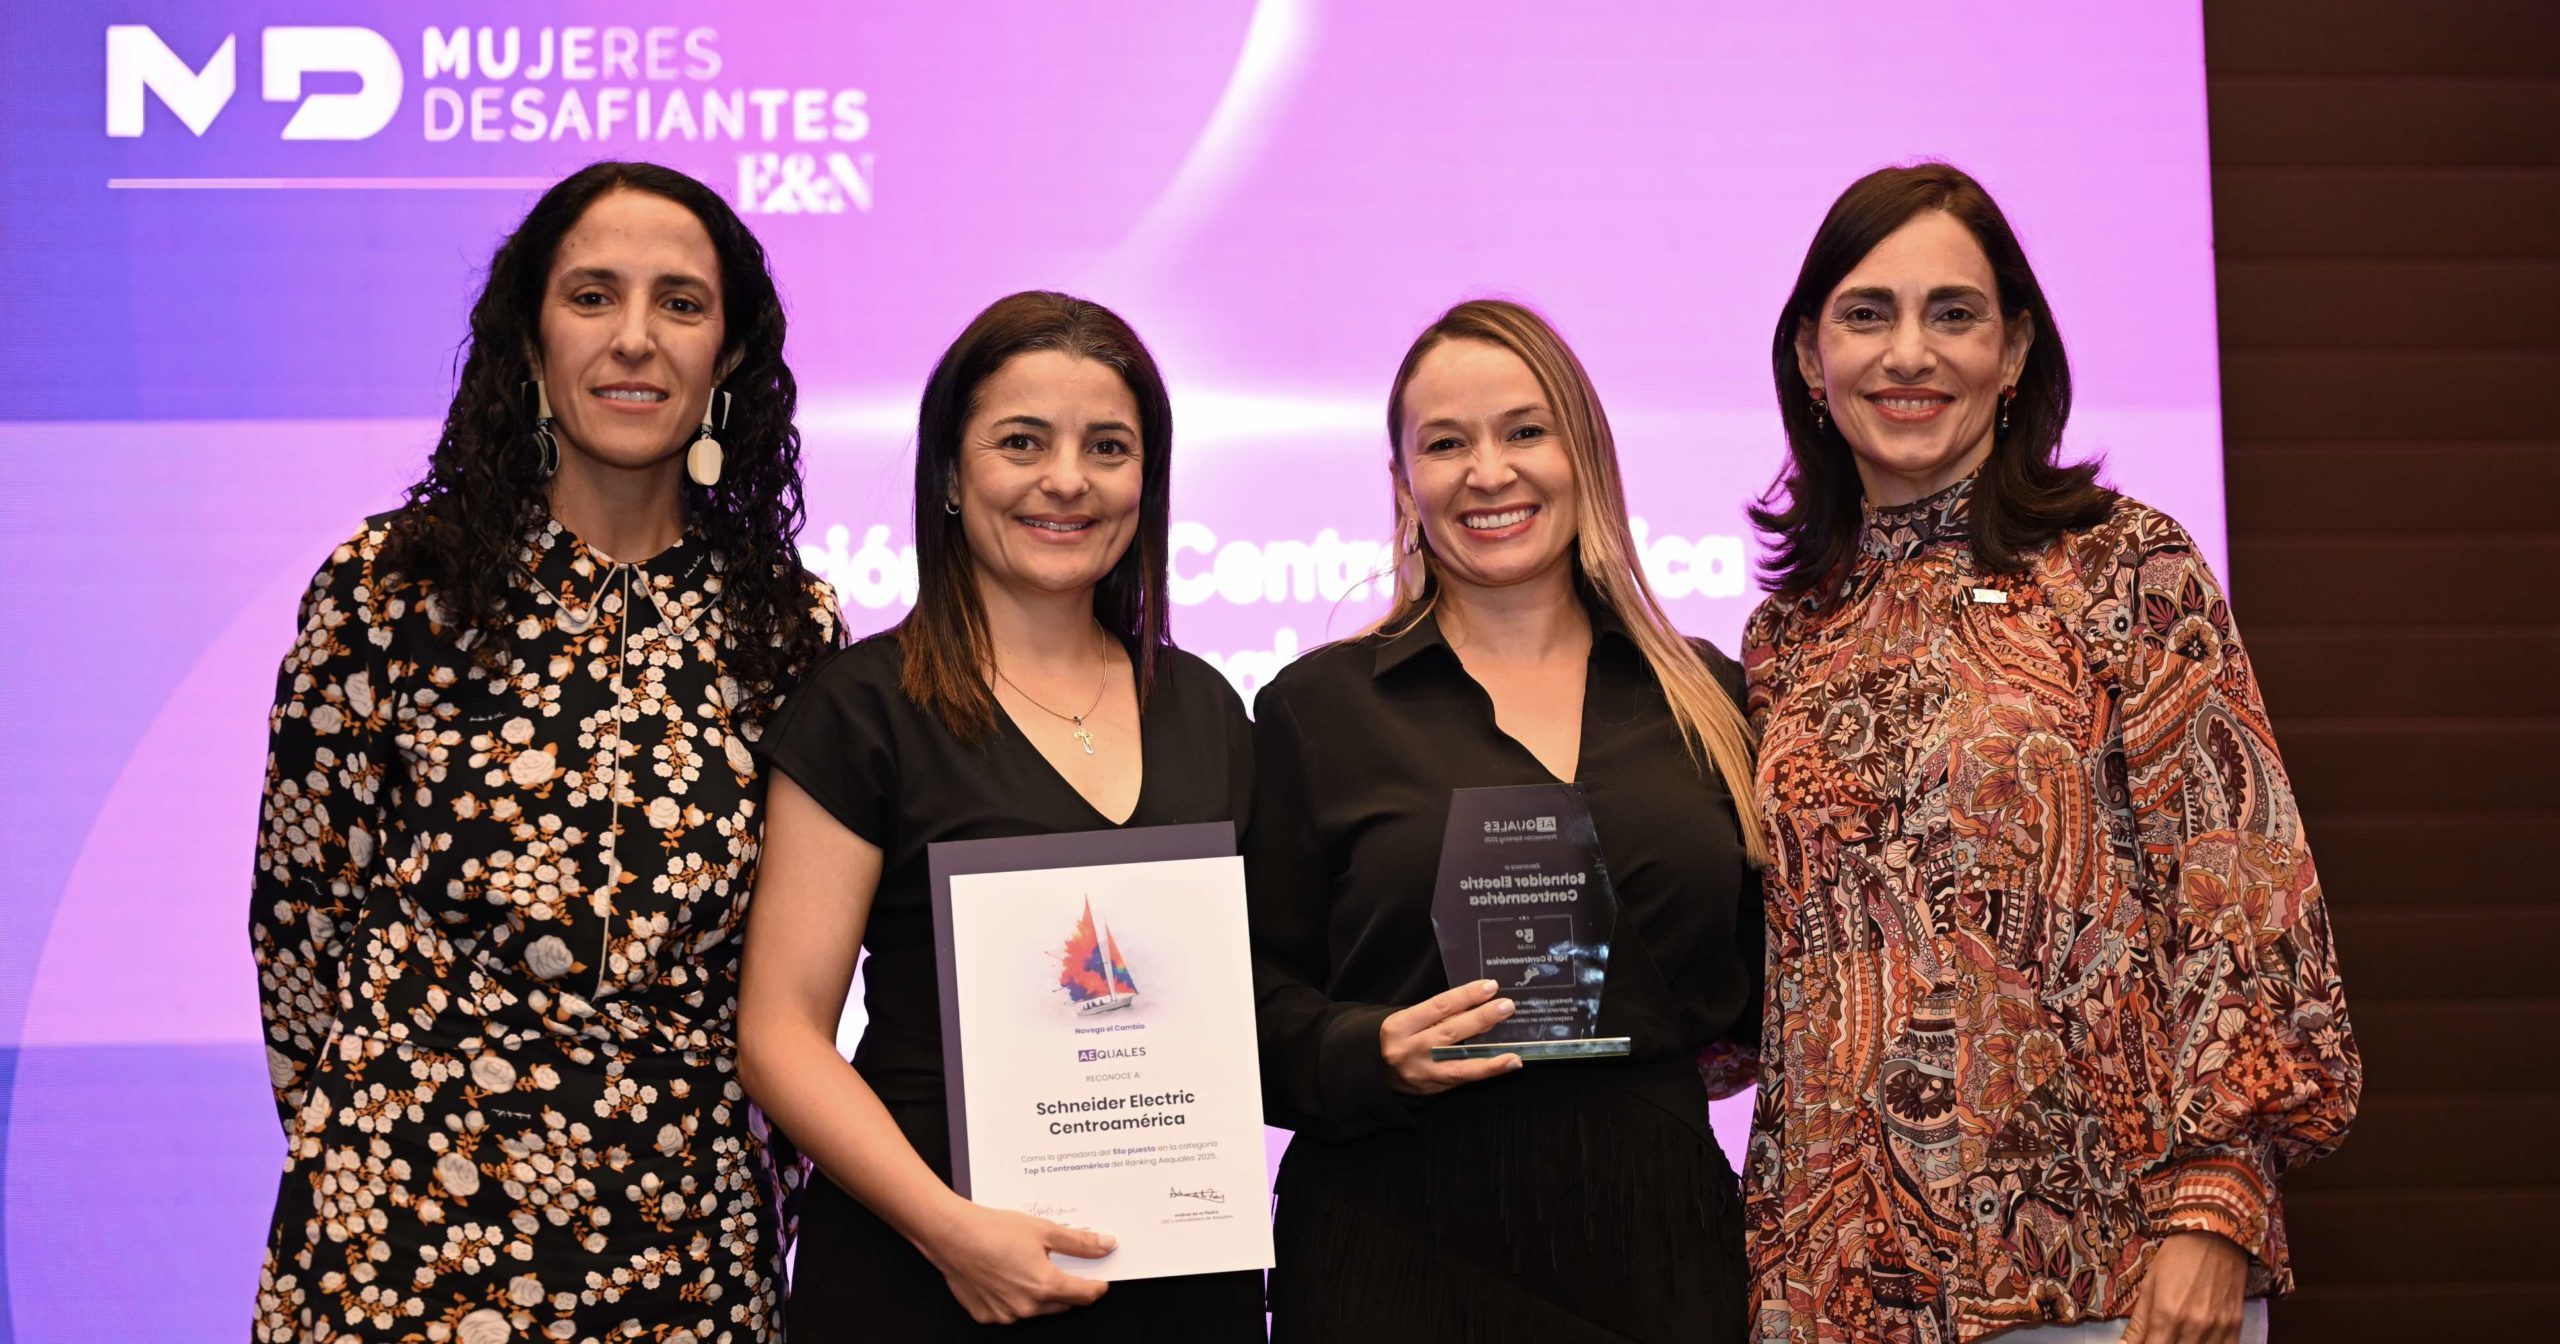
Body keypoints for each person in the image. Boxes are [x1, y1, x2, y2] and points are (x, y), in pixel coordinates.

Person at [1740, 162, 2361, 1344]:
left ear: (2014, 351)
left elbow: (2246, 893)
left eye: (1952, 313)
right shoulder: (1786, 636)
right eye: (1866, 314)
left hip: (2108, 1273)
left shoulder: (2128, 569)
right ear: (1811, 359)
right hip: (1838, 1290)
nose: (1908, 353)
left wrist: (2216, 1201)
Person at [250, 161, 842, 1342]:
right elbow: (303, 921)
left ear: (728, 357)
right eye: (592, 296)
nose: (635, 339)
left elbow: (792, 987)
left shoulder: (788, 627)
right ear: (530, 339)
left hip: (684, 1241)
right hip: (405, 1227)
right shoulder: (392, 589)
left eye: (681, 303)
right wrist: (371, 1136)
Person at [736, 291, 1266, 1340]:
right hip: (925, 1271)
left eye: (1107, 447)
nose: (1066, 479)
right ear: (949, 473)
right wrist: (951, 1232)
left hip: (1175, 1281)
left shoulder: (1207, 707)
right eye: (1021, 441)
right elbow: (779, 1035)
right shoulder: (865, 706)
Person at [1245, 299, 1764, 1343]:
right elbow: (1241, 997)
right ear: (1404, 484)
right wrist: (1363, 1048)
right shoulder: (1317, 710)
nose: (1489, 472)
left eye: (1525, 430)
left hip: (1655, 1244)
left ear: (1586, 455)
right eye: (1446, 444)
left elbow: (1778, 979)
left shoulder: (1709, 699)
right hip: (1392, 1248)